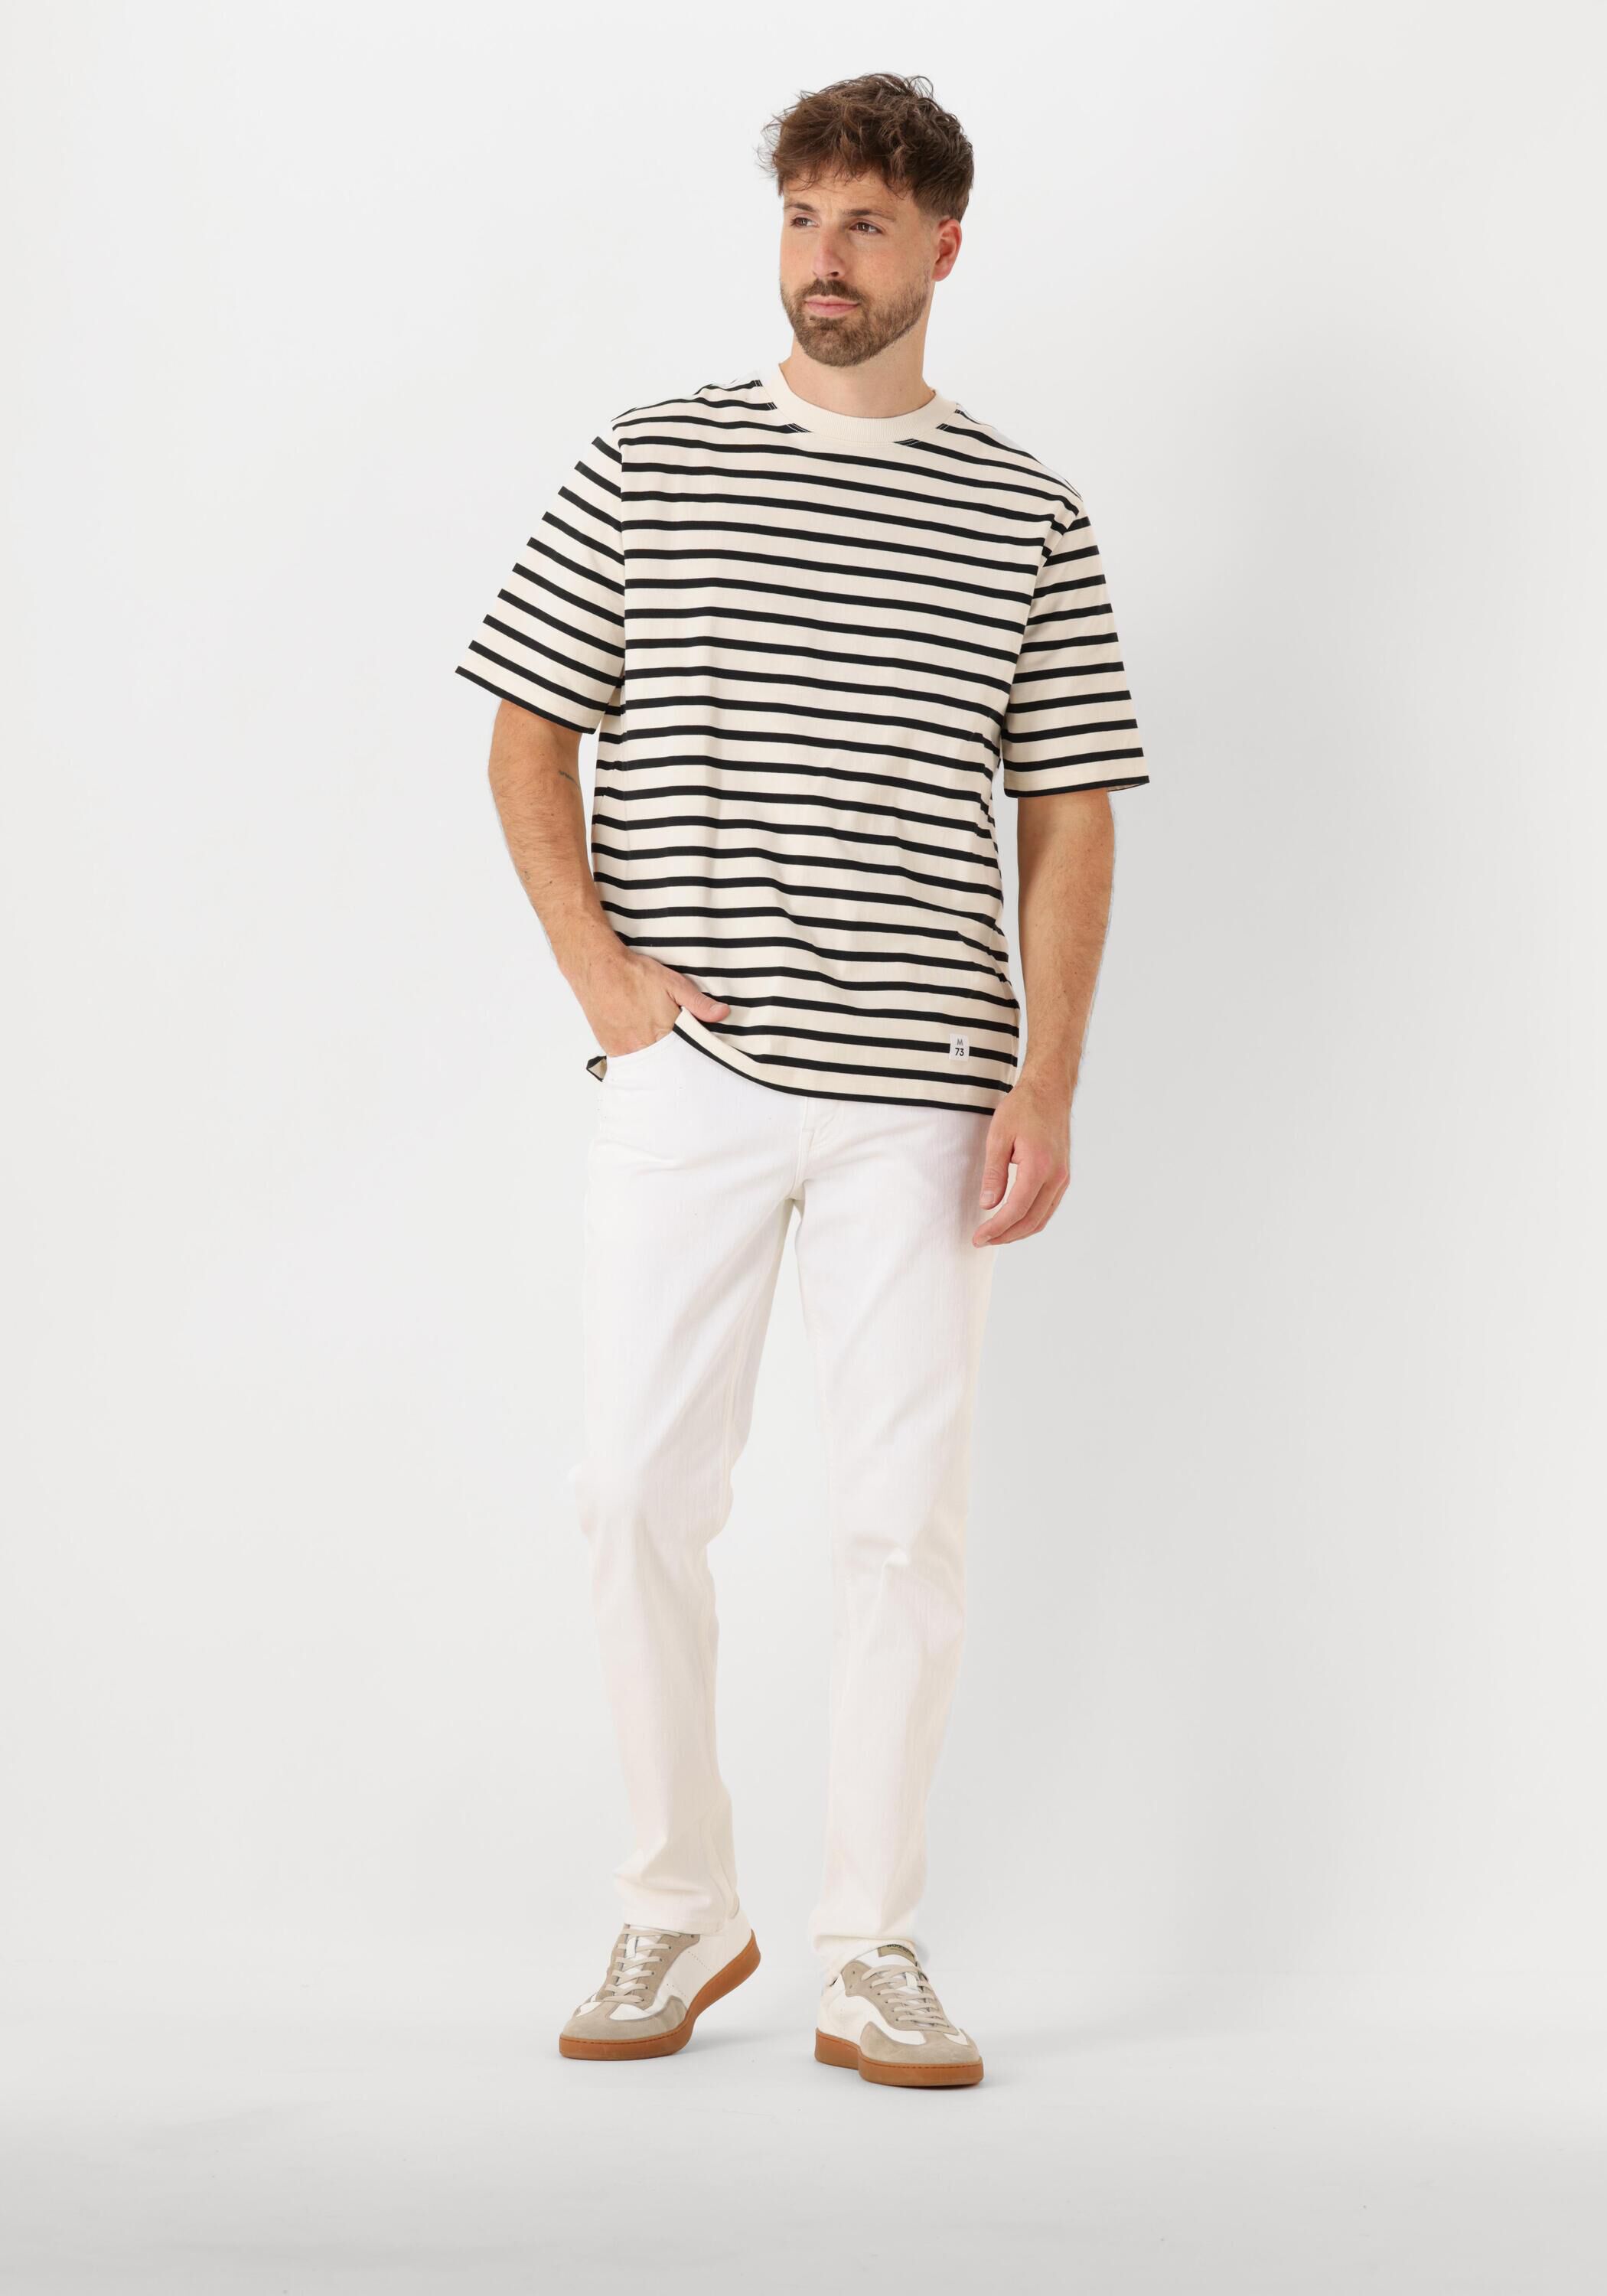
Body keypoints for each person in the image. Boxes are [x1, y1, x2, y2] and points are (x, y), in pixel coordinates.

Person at [454, 72, 1149, 2090]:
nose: (822, 260)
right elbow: (525, 730)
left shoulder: (1024, 509)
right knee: (632, 1492)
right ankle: (680, 1903)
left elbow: (1070, 811)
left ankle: (871, 1945)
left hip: (924, 1091)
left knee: (898, 1524)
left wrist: (1048, 1078)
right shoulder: (653, 460)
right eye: (799, 217)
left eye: (863, 223)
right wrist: (602, 978)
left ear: (943, 247)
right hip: (691, 1071)